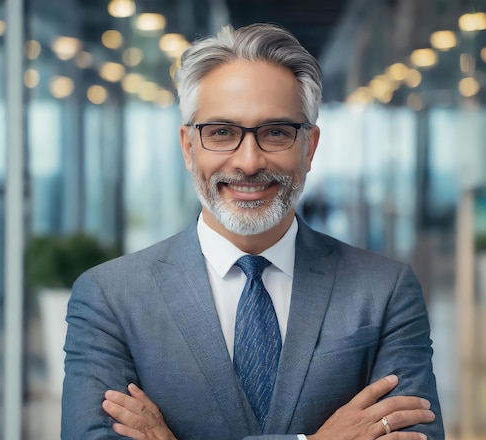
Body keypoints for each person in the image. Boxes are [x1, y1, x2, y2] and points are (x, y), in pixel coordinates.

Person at [61, 23, 444, 440]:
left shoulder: (386, 290)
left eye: (275, 132)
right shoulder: (109, 297)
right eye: (222, 132)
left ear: (309, 147)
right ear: (189, 147)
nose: (248, 161)